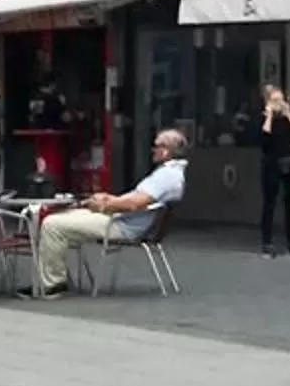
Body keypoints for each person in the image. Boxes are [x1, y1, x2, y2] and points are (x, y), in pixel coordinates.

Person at [33, 128, 187, 298]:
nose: (153, 149)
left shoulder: (166, 176)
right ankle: (54, 278)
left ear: (166, 150)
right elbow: (136, 199)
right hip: (122, 220)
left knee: (52, 224)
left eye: (156, 146)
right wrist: (109, 198)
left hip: (121, 225)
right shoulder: (171, 174)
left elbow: (134, 204)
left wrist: (104, 205)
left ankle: (53, 285)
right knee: (65, 217)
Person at [255, 87, 290, 258]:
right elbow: (264, 139)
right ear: (268, 102)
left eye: (281, 100)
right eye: (275, 100)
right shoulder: (264, 118)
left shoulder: (289, 118)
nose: (279, 104)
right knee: (269, 203)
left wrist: (289, 114)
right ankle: (267, 242)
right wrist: (269, 115)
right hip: (272, 165)